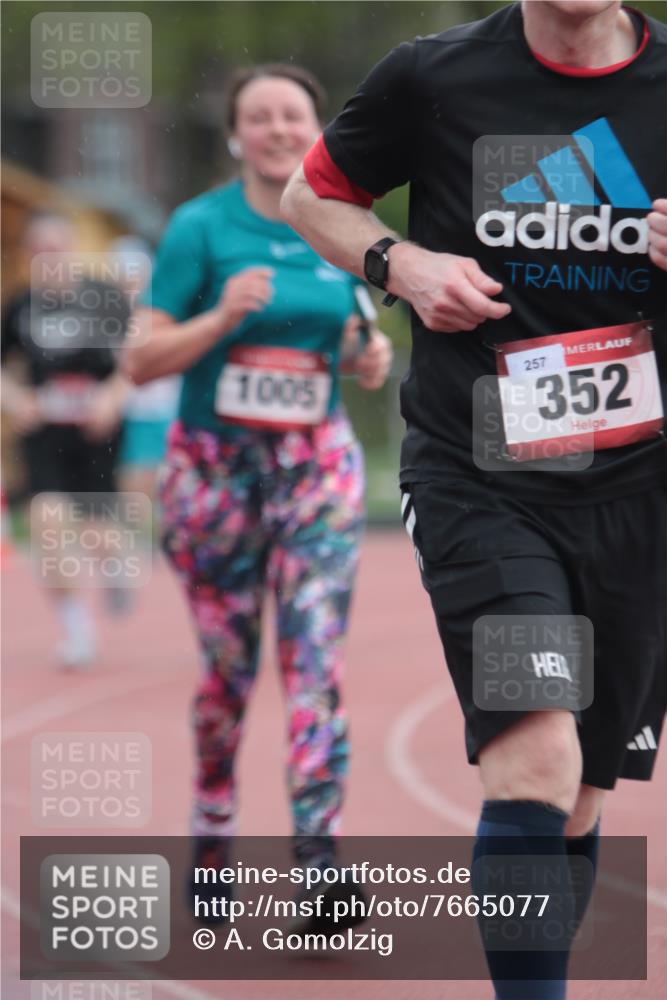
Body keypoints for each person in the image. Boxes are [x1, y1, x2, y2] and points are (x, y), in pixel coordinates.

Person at [282, 1, 666, 995]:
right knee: (533, 752)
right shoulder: (435, 76)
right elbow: (310, 195)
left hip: (639, 489)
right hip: (480, 473)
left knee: (579, 792)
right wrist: (397, 263)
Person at [122, 64, 392, 916]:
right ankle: (211, 840)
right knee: (228, 676)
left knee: (312, 662)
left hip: (314, 468)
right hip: (213, 474)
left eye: (293, 117)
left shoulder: (342, 223)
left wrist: (366, 357)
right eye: (260, 117)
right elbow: (138, 361)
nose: (277, 129)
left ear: (314, 130)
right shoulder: (199, 228)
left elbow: (357, 344)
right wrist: (220, 318)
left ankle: (320, 863)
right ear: (236, 136)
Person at [1, 211, 131, 668]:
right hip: (45, 434)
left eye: (55, 249)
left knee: (99, 534)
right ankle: (76, 629)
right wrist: (17, 399)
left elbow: (133, 363)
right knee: (48, 521)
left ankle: (116, 568)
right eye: (38, 252)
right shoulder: (20, 307)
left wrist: (111, 400)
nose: (48, 259)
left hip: (96, 435)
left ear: (72, 250)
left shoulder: (104, 299)